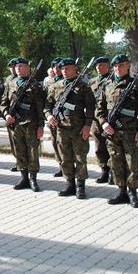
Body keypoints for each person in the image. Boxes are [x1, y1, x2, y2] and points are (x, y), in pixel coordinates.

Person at [95, 54, 138, 208]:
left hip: (130, 132)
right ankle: (121, 191)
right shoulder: (107, 85)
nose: (118, 69)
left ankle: (132, 192)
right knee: (116, 162)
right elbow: (99, 109)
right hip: (112, 132)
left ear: (127, 66)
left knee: (131, 163)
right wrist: (104, 123)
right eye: (116, 66)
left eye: (121, 65)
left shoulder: (137, 86)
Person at [45, 58, 96, 199]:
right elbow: (47, 106)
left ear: (75, 69)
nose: (65, 71)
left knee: (80, 158)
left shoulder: (83, 87)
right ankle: (69, 184)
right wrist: (49, 116)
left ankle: (80, 186)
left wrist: (87, 126)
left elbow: (91, 108)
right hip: (61, 128)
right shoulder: (55, 86)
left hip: (78, 129)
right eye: (63, 69)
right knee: (65, 158)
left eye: (68, 68)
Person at [1, 58, 45, 192]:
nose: (18, 69)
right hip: (16, 124)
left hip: (31, 124)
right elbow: (4, 102)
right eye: (16, 67)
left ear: (28, 68)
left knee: (32, 152)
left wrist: (40, 126)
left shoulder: (35, 85)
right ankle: (23, 177)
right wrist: (6, 114)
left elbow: (40, 108)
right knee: (19, 151)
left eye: (21, 66)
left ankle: (33, 179)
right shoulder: (11, 83)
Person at [89, 56, 114, 185]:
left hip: (109, 118)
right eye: (97, 66)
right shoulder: (92, 82)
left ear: (108, 66)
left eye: (102, 65)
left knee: (111, 145)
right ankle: (104, 169)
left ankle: (113, 171)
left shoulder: (112, 80)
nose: (99, 68)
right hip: (95, 118)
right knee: (99, 145)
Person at [47, 57, 64, 177]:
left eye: (59, 67)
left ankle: (69, 166)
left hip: (65, 119)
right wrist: (48, 116)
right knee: (55, 142)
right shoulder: (49, 82)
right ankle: (61, 165)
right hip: (52, 117)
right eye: (55, 67)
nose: (56, 69)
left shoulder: (68, 81)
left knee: (64, 144)